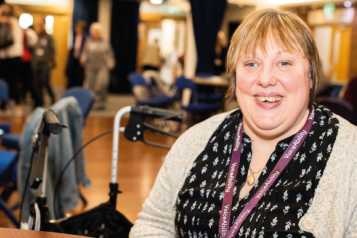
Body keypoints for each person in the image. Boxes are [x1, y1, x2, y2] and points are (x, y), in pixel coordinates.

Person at [130, 9, 357, 237]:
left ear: (311, 76)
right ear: (235, 76)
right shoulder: (194, 141)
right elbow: (154, 224)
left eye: (284, 63)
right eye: (251, 63)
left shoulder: (350, 157)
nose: (265, 79)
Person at [80, 22, 115, 110]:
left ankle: (103, 102)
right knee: (90, 86)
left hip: (102, 66)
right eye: (94, 31)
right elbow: (84, 53)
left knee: (103, 83)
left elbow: (110, 54)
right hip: (90, 66)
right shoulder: (88, 41)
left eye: (97, 31)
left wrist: (111, 62)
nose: (96, 33)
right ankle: (90, 103)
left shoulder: (105, 42)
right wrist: (83, 58)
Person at [0, 3, 23, 114]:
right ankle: (3, 104)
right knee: (3, 80)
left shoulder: (12, 22)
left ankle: (17, 104)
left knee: (13, 80)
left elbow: (11, 40)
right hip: (4, 56)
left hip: (13, 55)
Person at [32, 17, 56, 106]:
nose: (40, 25)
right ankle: (39, 102)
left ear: (44, 24)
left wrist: (51, 60)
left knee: (45, 82)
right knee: (36, 83)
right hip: (36, 62)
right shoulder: (36, 36)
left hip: (45, 62)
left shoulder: (49, 37)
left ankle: (52, 98)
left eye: (41, 23)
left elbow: (53, 49)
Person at [66, 20, 88, 89]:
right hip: (74, 60)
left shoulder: (86, 37)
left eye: (78, 27)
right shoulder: (75, 36)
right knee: (71, 77)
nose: (76, 29)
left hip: (81, 61)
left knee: (79, 78)